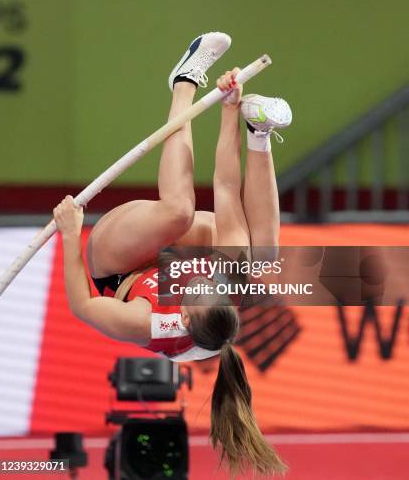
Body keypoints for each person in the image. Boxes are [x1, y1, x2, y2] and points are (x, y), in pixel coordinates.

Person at [53, 32, 292, 476]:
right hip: (187, 261)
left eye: (193, 287)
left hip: (118, 264)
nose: (196, 278)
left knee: (179, 212)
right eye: (207, 283)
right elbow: (224, 186)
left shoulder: (150, 323)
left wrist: (70, 233)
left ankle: (183, 80)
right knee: (262, 257)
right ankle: (260, 131)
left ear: (181, 314)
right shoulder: (227, 281)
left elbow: (83, 305)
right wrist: (229, 109)